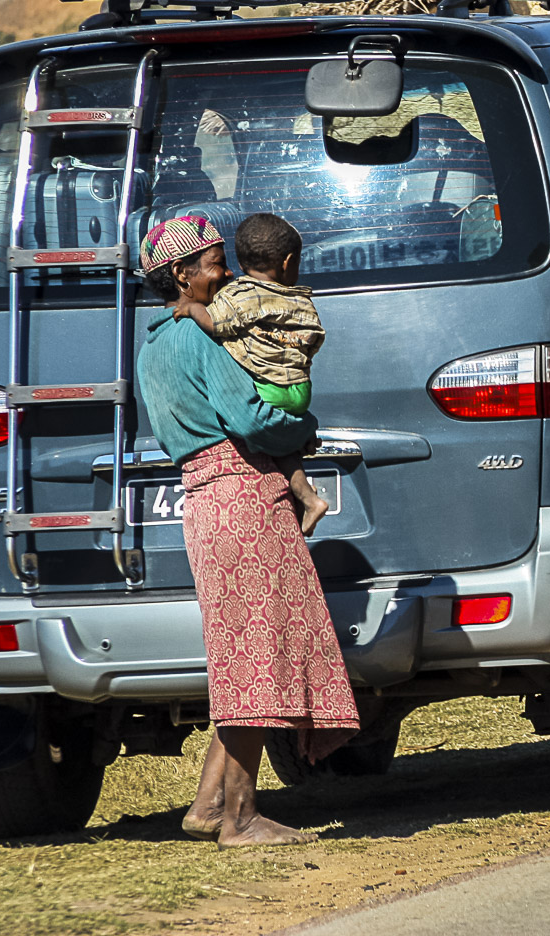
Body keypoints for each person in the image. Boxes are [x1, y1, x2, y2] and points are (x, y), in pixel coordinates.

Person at [134, 216, 357, 847]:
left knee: (242, 656)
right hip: (243, 498)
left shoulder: (154, 342)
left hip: (207, 503)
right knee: (257, 660)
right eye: (211, 263)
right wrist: (305, 430)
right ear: (180, 274)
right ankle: (240, 818)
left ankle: (209, 805)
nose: (224, 271)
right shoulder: (203, 340)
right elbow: (252, 419)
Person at [173, 212, 328, 535]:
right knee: (284, 447)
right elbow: (312, 344)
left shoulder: (238, 296)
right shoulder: (301, 300)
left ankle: (302, 500)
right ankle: (308, 500)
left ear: (240, 264)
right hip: (299, 391)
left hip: (268, 389)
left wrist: (191, 308)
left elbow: (217, 324)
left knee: (269, 444)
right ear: (287, 263)